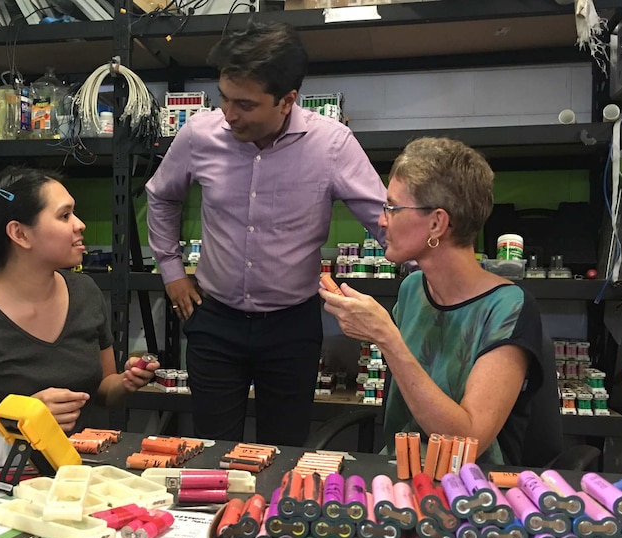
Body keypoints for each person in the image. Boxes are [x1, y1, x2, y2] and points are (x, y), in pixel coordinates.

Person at [146, 21, 387, 446]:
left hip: (291, 328)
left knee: (285, 450)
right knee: (210, 450)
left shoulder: (331, 145)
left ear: (287, 100)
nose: (229, 114)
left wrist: (434, 263)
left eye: (245, 104)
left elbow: (386, 222)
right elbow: (161, 196)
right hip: (214, 319)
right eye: (223, 97)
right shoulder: (199, 135)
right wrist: (171, 270)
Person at [319, 138, 545, 465]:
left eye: (393, 208)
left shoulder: (509, 308)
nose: (382, 221)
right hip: (400, 476)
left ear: (437, 223)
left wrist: (387, 338)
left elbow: (468, 443)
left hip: (472, 491)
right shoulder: (412, 289)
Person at [0, 166, 158, 433]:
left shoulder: (86, 293)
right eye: (65, 216)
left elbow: (102, 389)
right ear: (20, 234)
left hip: (78, 468)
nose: (80, 224)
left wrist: (125, 382)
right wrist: (21, 418)